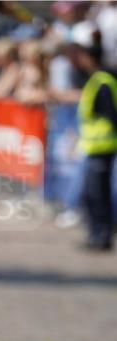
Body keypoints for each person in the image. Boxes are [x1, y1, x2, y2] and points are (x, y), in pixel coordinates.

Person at [71, 23, 117, 249]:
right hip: (94, 148)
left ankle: (102, 236)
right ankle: (96, 235)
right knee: (92, 195)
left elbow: (112, 116)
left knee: (98, 195)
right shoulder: (97, 80)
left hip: (103, 148)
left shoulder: (102, 82)